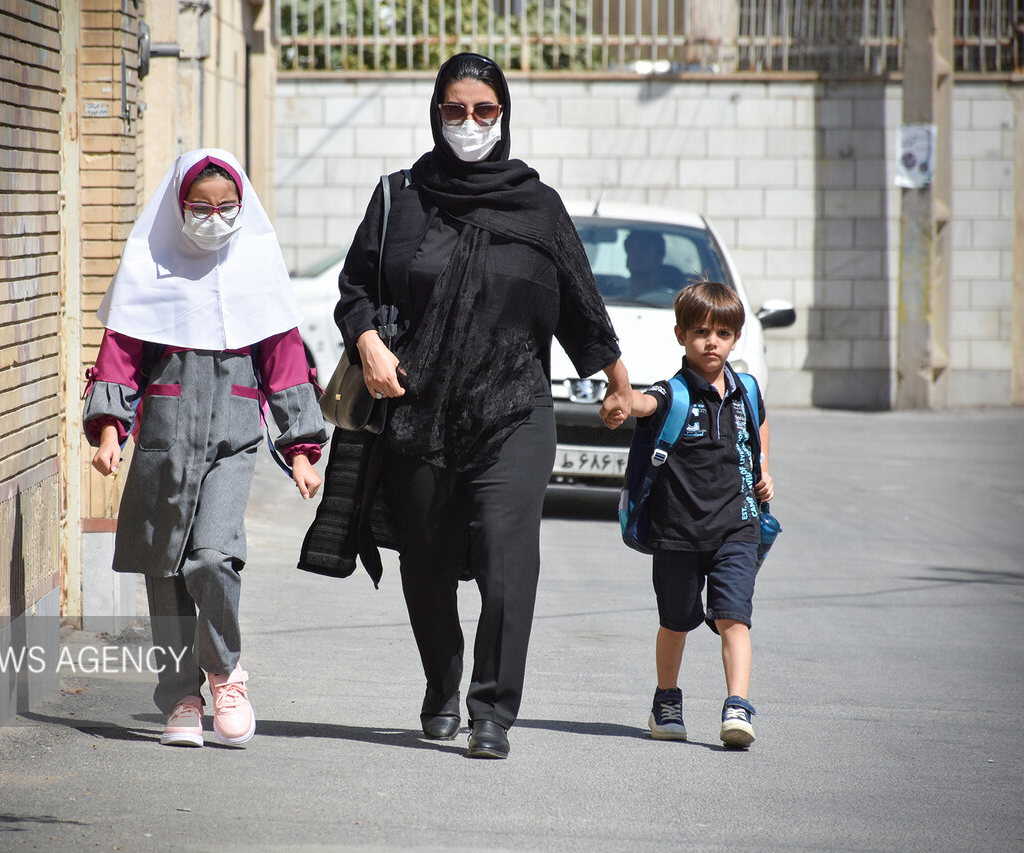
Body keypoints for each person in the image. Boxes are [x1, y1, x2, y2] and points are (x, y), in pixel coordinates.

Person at [324, 52, 631, 759]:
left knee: (505, 554)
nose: (469, 122)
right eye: (455, 110)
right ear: (437, 113)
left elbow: (584, 306)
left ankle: (492, 709)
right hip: (419, 408)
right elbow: (354, 289)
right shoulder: (401, 197)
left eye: (483, 111)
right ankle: (443, 682)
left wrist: (620, 382)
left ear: (504, 115)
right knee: (427, 560)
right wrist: (368, 341)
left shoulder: (537, 205)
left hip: (514, 409)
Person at [83, 148, 326, 749]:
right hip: (163, 440)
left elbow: (284, 360)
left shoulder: (255, 269)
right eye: (200, 206)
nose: (214, 217)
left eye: (227, 206)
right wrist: (111, 429)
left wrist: (301, 448)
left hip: (233, 440)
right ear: (178, 206)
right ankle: (181, 700)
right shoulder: (150, 268)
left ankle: (224, 672)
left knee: (212, 556)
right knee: (163, 567)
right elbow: (121, 355)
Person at [623, 280, 774, 748]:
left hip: (738, 528)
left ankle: (737, 707)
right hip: (677, 533)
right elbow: (646, 404)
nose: (713, 342)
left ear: (736, 338)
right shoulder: (672, 393)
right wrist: (624, 401)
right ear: (680, 336)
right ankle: (666, 700)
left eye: (724, 333)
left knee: (735, 619)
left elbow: (760, 424)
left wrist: (764, 468)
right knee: (676, 622)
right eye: (702, 332)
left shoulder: (745, 389)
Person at [623, 229, 685, 298]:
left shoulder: (671, 302)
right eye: (632, 248)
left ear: (659, 256)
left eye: (643, 249)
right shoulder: (613, 301)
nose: (636, 254)